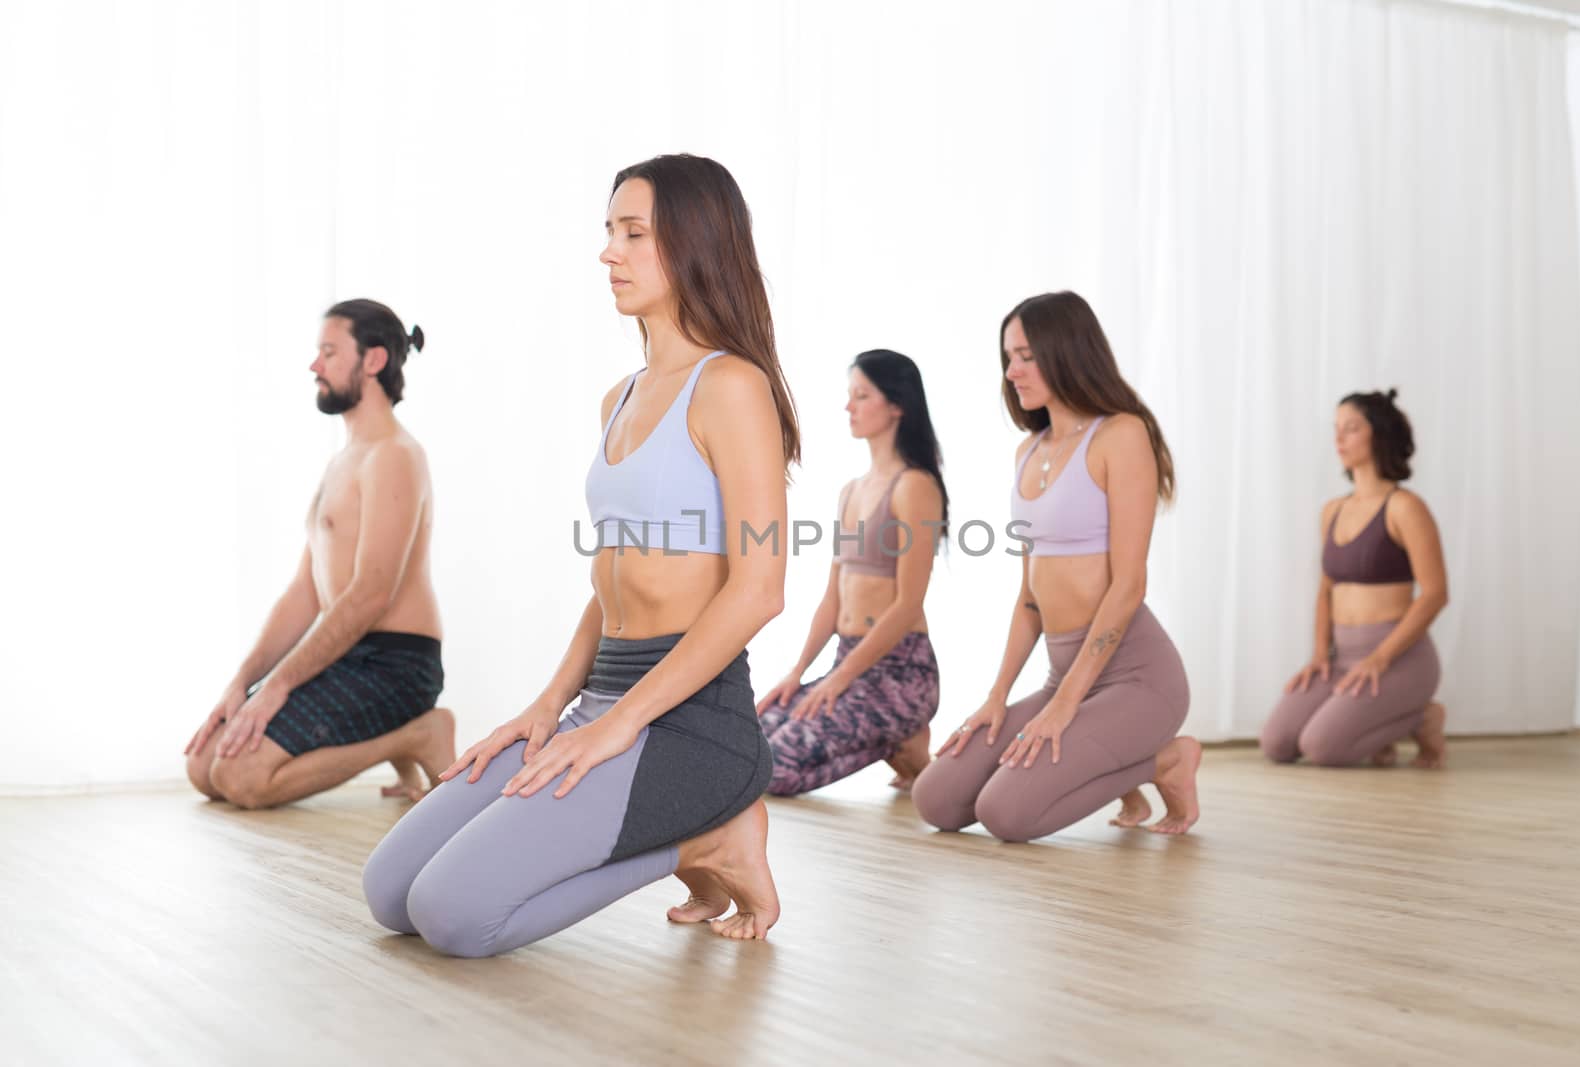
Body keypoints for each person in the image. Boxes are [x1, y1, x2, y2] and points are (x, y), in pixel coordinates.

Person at [362, 154, 799, 956]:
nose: (610, 253)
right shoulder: (622, 397)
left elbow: (761, 588)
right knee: (390, 892)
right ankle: (675, 817)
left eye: (634, 234)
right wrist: (549, 706)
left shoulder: (732, 386)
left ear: (695, 243)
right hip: (602, 698)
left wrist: (621, 724)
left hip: (689, 725)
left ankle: (708, 840)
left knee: (457, 915)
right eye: (609, 233)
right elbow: (612, 583)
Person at [911, 290, 1201, 840]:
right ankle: (1111, 762)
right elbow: (1029, 597)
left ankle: (1164, 761)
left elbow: (1128, 585)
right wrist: (995, 698)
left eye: (1026, 355)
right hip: (1063, 674)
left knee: (1007, 813)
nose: (1013, 371)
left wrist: (1066, 707)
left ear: (1066, 351)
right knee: (937, 798)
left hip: (1137, 678)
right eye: (1008, 357)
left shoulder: (1120, 434)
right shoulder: (1028, 453)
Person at [183, 300, 452, 809]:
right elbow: (303, 595)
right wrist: (243, 684)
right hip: (349, 652)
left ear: (373, 361)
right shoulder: (344, 461)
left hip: (396, 663)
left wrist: (280, 685)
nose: (315, 366)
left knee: (241, 779)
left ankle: (416, 735)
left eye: (329, 352)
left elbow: (372, 594)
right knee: (204, 768)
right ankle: (403, 739)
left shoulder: (394, 456)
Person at [757, 350, 946, 795]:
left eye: (862, 396)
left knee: (772, 770)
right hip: (849, 662)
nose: (849, 407)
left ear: (897, 405)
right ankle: (898, 742)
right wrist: (799, 673)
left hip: (900, 674)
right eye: (850, 396)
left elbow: (907, 604)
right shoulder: (852, 492)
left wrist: (840, 681)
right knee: (749, 745)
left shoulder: (915, 486)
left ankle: (899, 737)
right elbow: (833, 599)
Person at [1261, 390, 1448, 768]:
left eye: (1351, 429)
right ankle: (1377, 728)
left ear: (1378, 434)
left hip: (1397, 659)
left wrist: (1380, 658)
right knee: (1277, 743)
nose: (1339, 440)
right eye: (1336, 430)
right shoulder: (1332, 510)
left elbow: (1435, 593)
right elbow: (1326, 590)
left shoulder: (1405, 507)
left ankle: (1421, 717)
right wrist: (1318, 653)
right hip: (1342, 658)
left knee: (1323, 747)